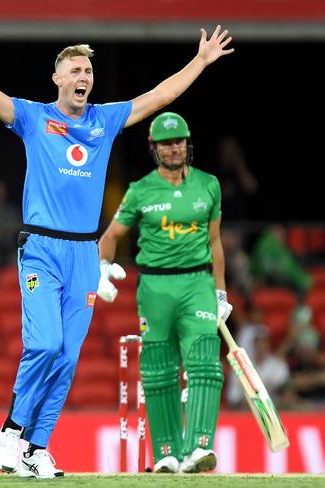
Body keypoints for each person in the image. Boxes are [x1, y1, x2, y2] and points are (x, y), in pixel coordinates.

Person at [0, 17, 233, 478]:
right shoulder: (34, 118)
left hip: (85, 255)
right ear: (57, 78)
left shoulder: (105, 119)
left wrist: (199, 60)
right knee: (46, 343)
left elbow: (161, 97)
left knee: (68, 357)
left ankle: (37, 448)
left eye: (88, 73)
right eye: (74, 71)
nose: (83, 78)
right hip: (41, 247)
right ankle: (10, 435)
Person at [97, 112, 233, 473]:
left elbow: (215, 241)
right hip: (155, 286)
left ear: (188, 144)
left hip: (197, 283)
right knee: (158, 370)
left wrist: (220, 293)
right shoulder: (140, 190)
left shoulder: (209, 185)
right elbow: (110, 237)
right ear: (153, 149)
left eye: (179, 142)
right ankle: (167, 453)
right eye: (165, 143)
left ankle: (199, 448)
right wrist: (100, 271)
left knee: (205, 363)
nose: (174, 149)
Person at [226, 326, 289, 409]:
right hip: (247, 410)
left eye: (264, 342)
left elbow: (286, 390)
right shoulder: (239, 366)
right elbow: (232, 397)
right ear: (253, 345)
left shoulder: (279, 365)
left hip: (276, 410)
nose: (261, 346)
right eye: (258, 342)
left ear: (268, 344)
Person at [249, 224, 312, 301]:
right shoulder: (275, 247)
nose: (284, 237)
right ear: (274, 231)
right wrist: (306, 281)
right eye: (282, 234)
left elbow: (253, 267)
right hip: (275, 291)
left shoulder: (260, 244)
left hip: (264, 291)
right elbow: (295, 274)